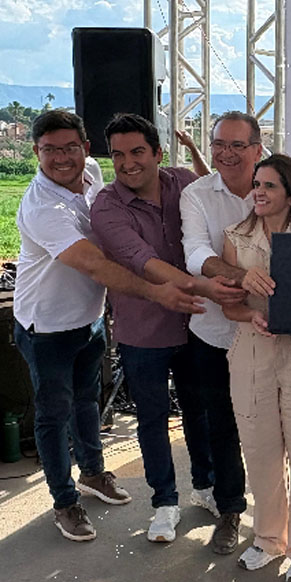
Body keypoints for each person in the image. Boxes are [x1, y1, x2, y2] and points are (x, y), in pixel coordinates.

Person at [13, 110, 203, 542]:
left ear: (85, 148)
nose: (61, 158)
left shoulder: (94, 171)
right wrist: (157, 293)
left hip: (89, 320)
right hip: (46, 326)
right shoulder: (43, 207)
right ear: (36, 153)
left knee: (87, 403)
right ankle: (65, 501)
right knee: (52, 414)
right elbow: (95, 264)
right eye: (49, 150)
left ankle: (93, 474)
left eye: (69, 148)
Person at [90, 113, 247, 542]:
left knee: (199, 411)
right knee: (153, 417)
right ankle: (164, 502)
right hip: (145, 330)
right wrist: (210, 287)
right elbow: (145, 262)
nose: (128, 163)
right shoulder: (106, 206)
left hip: (195, 324)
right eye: (118, 155)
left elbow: (211, 189)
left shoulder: (182, 182)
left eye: (138, 152)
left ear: (158, 153)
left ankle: (205, 487)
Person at [220, 154, 291, 582]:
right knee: (260, 449)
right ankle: (268, 538)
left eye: (269, 186)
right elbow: (227, 305)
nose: (259, 193)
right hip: (251, 353)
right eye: (257, 185)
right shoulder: (235, 238)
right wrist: (251, 316)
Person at [180, 110, 265, 554]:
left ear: (257, 149)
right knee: (222, 425)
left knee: (272, 428)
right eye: (218, 144)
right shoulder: (196, 194)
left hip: (271, 332)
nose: (225, 154)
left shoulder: (275, 187)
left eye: (236, 145)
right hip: (213, 332)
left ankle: (274, 519)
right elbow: (195, 249)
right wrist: (237, 277)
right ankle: (230, 510)